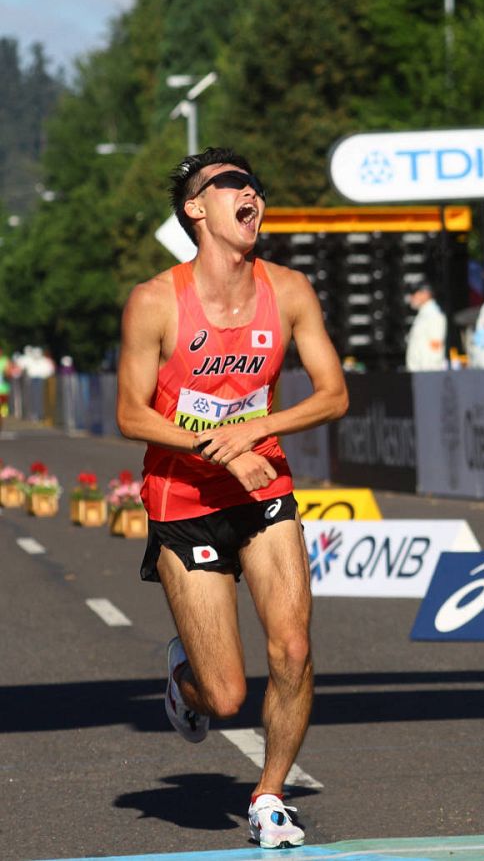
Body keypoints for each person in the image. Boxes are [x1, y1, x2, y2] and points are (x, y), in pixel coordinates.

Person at [115, 147, 348, 849]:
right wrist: (218, 441)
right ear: (196, 208)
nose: (252, 192)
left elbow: (334, 394)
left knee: (294, 646)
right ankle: (183, 674)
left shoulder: (291, 290)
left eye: (255, 183)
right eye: (231, 184)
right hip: (184, 495)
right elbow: (130, 414)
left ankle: (270, 793)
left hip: (265, 484)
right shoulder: (157, 299)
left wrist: (260, 429)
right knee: (224, 696)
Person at [404, 283, 448, 371]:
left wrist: (430, 373)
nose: (411, 297)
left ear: (426, 294)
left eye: (414, 293)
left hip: (427, 372)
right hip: (418, 373)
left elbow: (436, 345)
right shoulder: (423, 315)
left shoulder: (434, 315)